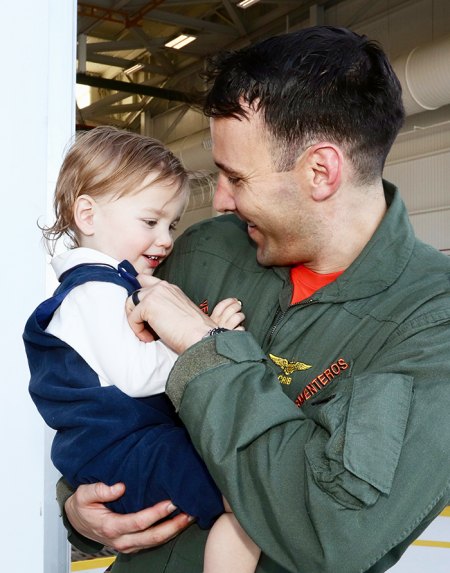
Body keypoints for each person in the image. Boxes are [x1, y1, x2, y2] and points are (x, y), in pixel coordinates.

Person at [58, 26, 450, 573]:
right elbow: (111, 401)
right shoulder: (205, 252)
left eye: (235, 177)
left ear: (321, 171)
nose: (220, 200)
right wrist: (80, 509)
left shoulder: (431, 321)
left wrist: (204, 348)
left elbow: (333, 530)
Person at [23, 126, 260, 573]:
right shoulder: (95, 291)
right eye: (150, 222)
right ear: (88, 216)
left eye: (171, 224)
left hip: (125, 448)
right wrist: (208, 338)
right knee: (247, 499)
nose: (167, 239)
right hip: (128, 449)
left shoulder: (107, 286)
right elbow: (138, 376)